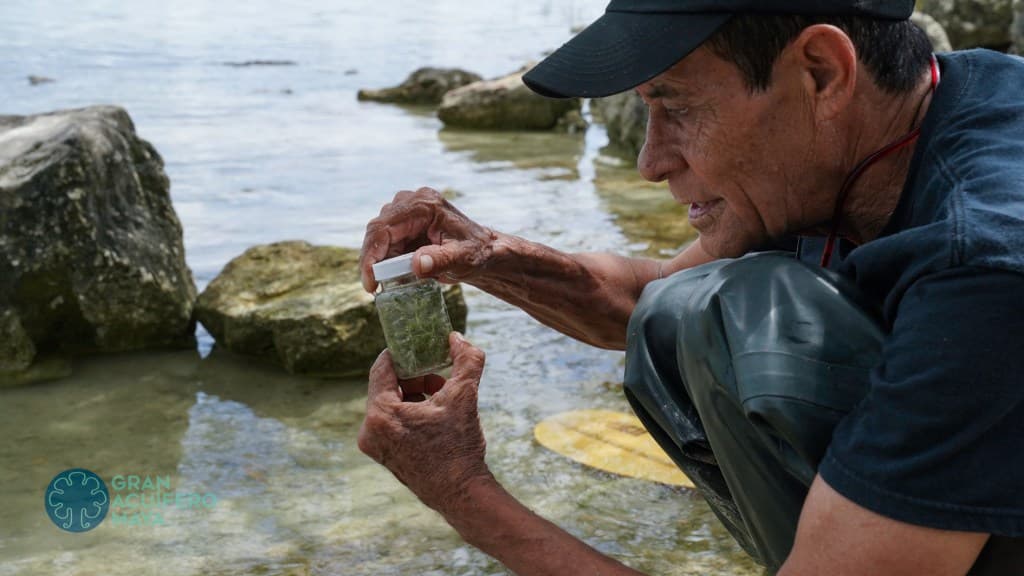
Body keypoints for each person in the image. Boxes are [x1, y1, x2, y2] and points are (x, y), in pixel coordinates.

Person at [356, 1, 1024, 574]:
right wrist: (486, 255)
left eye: (676, 107)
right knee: (686, 313)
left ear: (821, 71)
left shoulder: (985, 264)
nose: (649, 163)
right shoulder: (902, 117)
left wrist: (463, 492)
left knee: (734, 306)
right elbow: (642, 300)